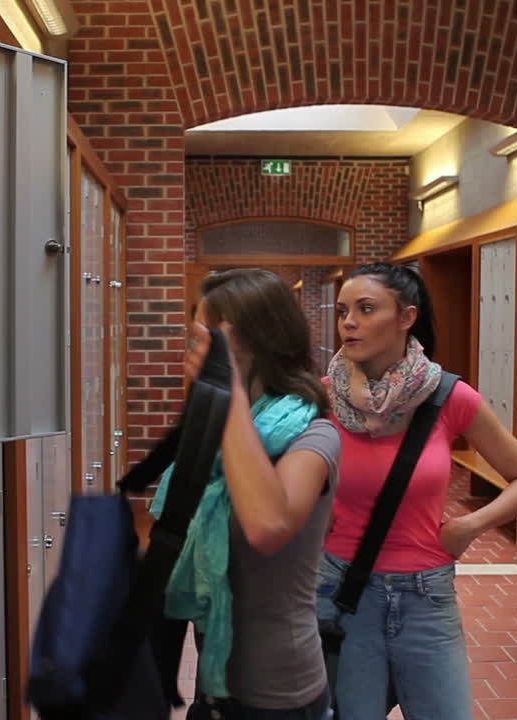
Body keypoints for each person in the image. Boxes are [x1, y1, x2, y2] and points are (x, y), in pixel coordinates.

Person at [316, 262, 517, 720]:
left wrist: (469, 526)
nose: (349, 322)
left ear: (407, 317)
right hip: (341, 589)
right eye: (344, 311)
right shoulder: (323, 398)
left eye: (366, 309)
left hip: (426, 595)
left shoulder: (447, 396)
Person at [153, 268, 340, 720]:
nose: (192, 348)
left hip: (282, 696)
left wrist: (228, 391)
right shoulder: (216, 435)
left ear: (251, 343)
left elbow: (267, 527)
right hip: (216, 688)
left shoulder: (315, 436)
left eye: (205, 335)